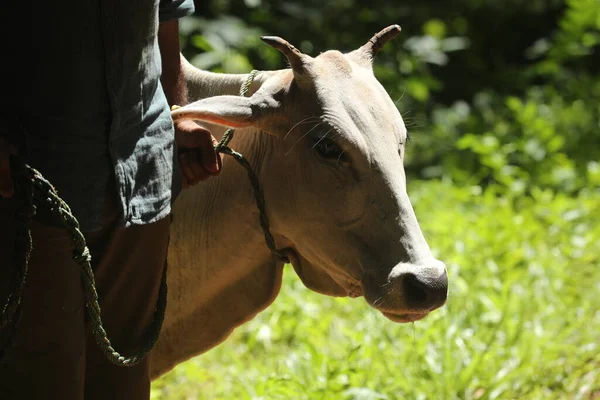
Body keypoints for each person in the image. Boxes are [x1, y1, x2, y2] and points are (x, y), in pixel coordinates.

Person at [0, 1, 220, 399]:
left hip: (142, 174)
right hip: (31, 185)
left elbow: (164, 17)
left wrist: (178, 113)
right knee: (40, 375)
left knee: (122, 374)